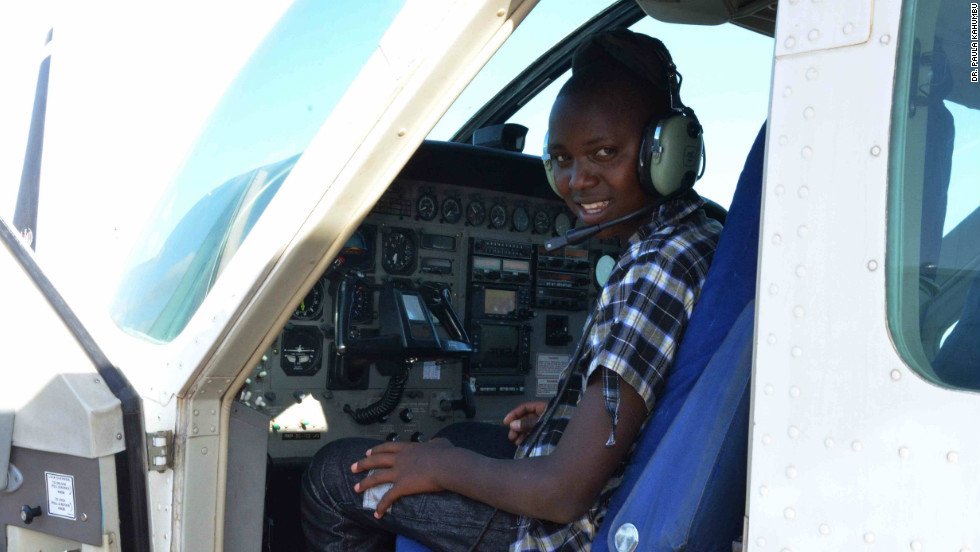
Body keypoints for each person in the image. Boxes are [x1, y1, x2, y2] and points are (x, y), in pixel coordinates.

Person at [301, 28, 722, 552]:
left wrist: (445, 467)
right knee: (453, 435)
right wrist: (569, 413)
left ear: (664, 152)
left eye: (604, 152)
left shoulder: (654, 268)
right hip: (619, 485)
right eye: (562, 159)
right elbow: (663, 394)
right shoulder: (701, 236)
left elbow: (564, 493)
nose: (576, 181)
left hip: (566, 531)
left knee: (334, 476)